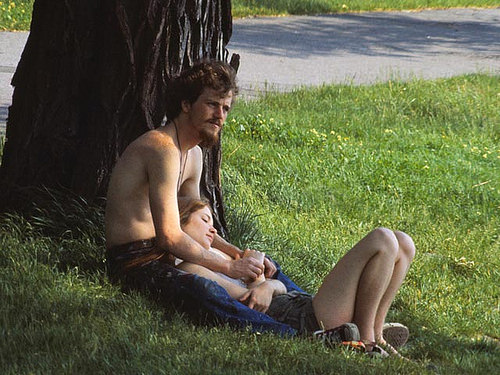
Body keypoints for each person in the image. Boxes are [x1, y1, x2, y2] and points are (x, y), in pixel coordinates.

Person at [105, 60, 276, 285]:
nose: (220, 115)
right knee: (205, 287)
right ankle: (277, 319)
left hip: (166, 255)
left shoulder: (194, 154)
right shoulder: (162, 148)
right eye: (212, 104)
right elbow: (169, 236)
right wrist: (228, 266)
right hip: (134, 262)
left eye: (225, 108)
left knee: (261, 267)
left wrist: (236, 254)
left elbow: (194, 223)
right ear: (186, 105)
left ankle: (303, 307)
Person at [176, 197, 416, 357]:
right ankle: (366, 341)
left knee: (404, 243)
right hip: (305, 317)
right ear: (181, 223)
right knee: (382, 238)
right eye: (204, 220)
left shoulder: (220, 256)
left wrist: (268, 283)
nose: (214, 229)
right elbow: (248, 299)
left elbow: (276, 284)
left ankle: (377, 335)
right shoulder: (190, 267)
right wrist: (267, 285)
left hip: (302, 302)